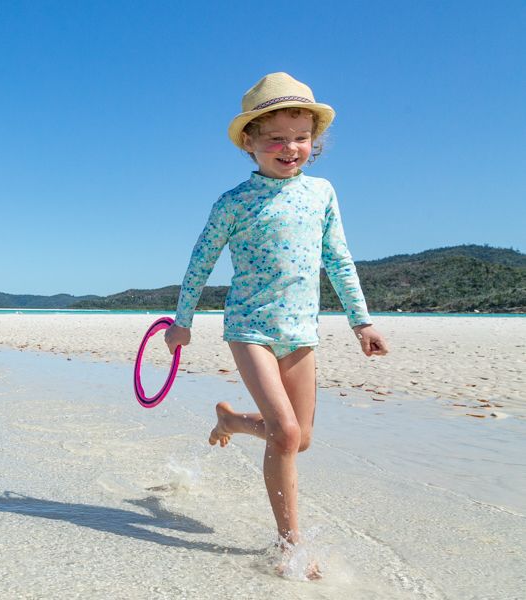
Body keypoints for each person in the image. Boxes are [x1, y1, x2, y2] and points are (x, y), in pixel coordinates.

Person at [164, 73, 388, 572]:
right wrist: (182, 322)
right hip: (250, 328)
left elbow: (339, 259)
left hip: (301, 332)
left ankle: (232, 421)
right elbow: (199, 263)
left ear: (315, 140)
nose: (290, 148)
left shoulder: (322, 193)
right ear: (250, 142)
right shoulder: (232, 203)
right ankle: (290, 544)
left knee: (299, 439)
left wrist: (362, 322)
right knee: (285, 433)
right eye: (276, 139)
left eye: (302, 137)